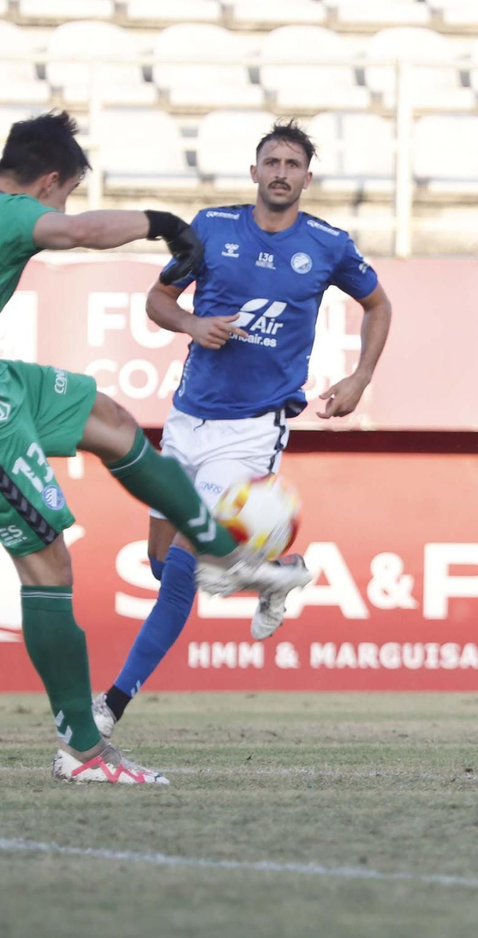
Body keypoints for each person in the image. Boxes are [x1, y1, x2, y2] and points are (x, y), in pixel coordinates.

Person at [0, 111, 311, 785]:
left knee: (109, 417)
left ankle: (225, 554)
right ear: (50, 179)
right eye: (64, 193)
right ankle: (84, 751)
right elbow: (77, 232)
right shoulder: (13, 213)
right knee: (49, 570)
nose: (62, 206)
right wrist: (162, 223)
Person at [92, 119, 391, 740]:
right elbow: (157, 299)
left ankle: (111, 704)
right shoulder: (210, 229)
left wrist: (360, 377)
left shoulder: (329, 244)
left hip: (252, 431)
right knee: (157, 560)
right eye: (272, 162)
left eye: (293, 164)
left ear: (308, 177)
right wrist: (191, 325)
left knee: (178, 573)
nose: (282, 172)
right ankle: (273, 573)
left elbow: (378, 304)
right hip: (186, 418)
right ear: (254, 172)